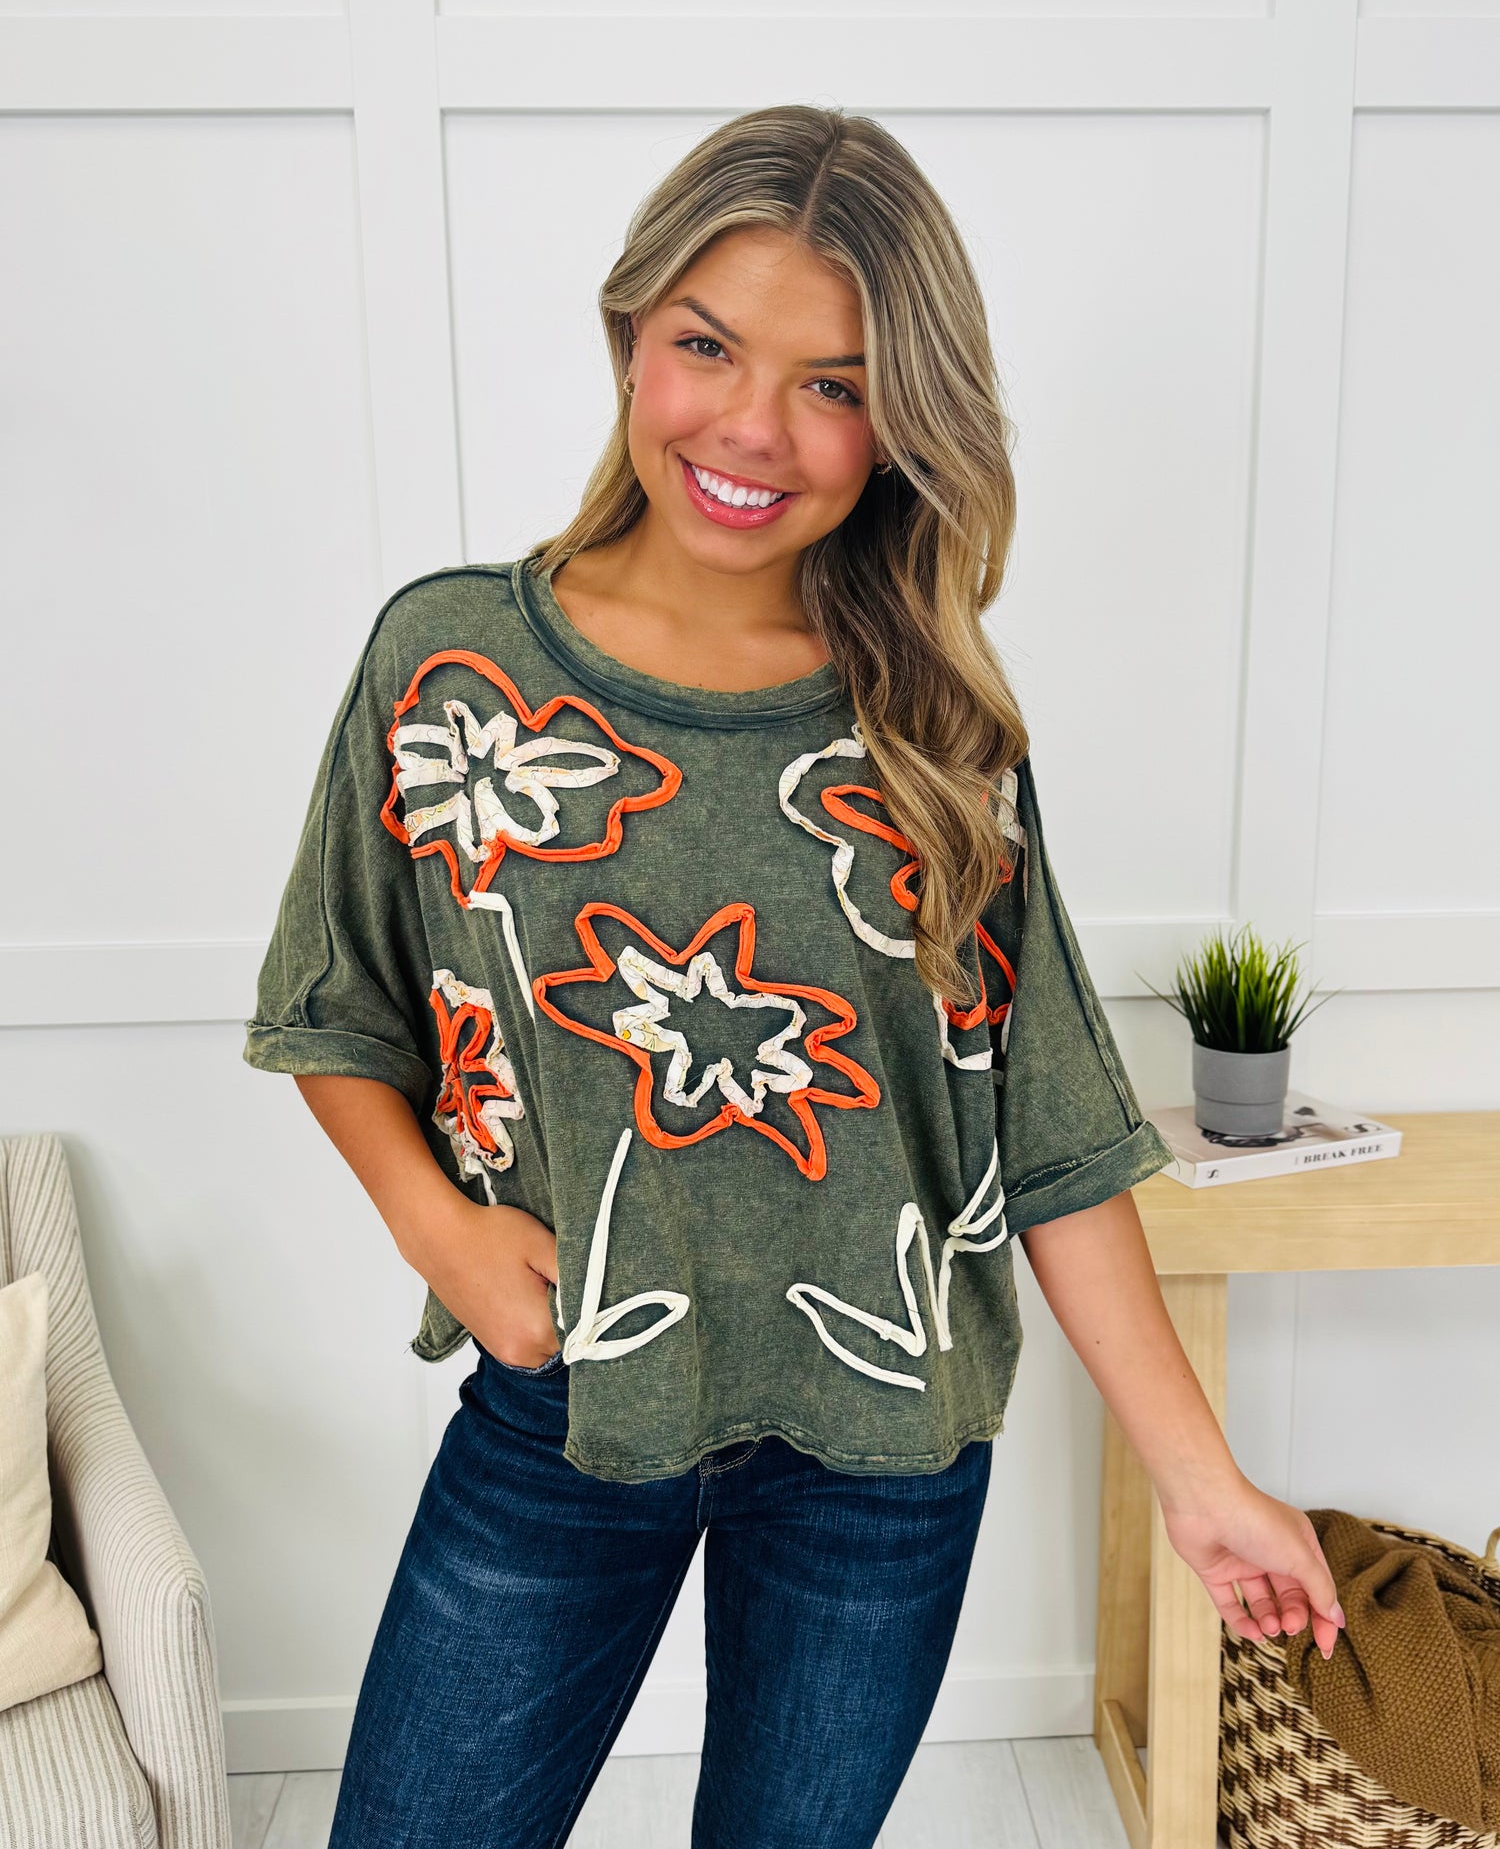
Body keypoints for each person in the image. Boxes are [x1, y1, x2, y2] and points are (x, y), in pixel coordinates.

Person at [243, 104, 1343, 1849]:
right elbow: (335, 1003)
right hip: (570, 1410)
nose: (754, 428)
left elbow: (1048, 1133)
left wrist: (1201, 1483)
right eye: (707, 347)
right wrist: (437, 1228)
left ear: (901, 424)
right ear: (631, 337)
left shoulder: (934, 727)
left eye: (835, 383)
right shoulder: (449, 664)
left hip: (884, 1455)